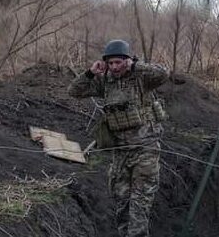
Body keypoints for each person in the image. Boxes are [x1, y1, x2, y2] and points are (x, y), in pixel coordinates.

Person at [68, 39, 170, 237]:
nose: (115, 67)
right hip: (120, 152)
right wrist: (91, 73)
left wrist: (137, 66)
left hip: (145, 150)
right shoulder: (105, 81)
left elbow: (164, 73)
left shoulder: (142, 77)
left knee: (140, 203)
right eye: (111, 63)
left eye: (119, 62)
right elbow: (74, 91)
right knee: (121, 200)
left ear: (127, 61)